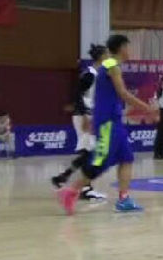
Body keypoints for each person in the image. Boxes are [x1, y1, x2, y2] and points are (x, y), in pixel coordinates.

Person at [56, 34, 154, 215]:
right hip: (108, 122)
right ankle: (70, 191)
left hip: (112, 120)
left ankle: (124, 199)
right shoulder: (111, 66)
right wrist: (147, 108)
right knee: (100, 162)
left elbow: (103, 95)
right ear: (122, 48)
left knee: (126, 158)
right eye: (128, 47)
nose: (130, 51)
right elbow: (123, 93)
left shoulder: (108, 65)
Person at [50, 44, 108, 200]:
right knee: (90, 152)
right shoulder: (90, 74)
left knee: (88, 152)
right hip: (84, 116)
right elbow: (77, 94)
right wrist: (84, 117)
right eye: (107, 54)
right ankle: (85, 189)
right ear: (101, 57)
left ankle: (63, 177)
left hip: (89, 115)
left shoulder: (98, 74)